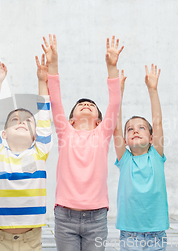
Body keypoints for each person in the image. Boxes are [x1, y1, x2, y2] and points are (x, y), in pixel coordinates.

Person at [43, 34, 123, 251]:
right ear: (70, 120)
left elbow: (115, 102)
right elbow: (56, 99)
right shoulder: (65, 132)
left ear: (99, 120)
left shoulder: (103, 134)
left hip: (96, 218)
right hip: (65, 216)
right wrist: (53, 65)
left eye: (90, 104)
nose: (85, 104)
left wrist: (112, 68)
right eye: (81, 104)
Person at [0, 60, 52, 251]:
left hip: (31, 238)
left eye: (28, 121)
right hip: (1, 238)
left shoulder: (40, 152)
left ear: (35, 136)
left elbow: (45, 118)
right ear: (3, 134)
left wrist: (42, 82)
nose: (21, 122)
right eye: (15, 120)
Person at [113, 64, 168, 251]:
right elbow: (116, 127)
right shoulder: (125, 159)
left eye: (141, 128)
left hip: (156, 232)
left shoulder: (156, 155)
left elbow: (158, 122)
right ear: (126, 140)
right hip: (130, 232)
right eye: (131, 129)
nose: (135, 130)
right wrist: (117, 94)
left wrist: (153, 90)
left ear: (152, 138)